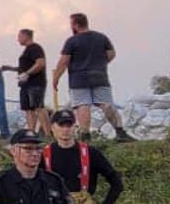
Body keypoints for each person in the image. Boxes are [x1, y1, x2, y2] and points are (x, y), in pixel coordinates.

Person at [49, 13, 134, 141]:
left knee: (83, 105)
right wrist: (100, 64)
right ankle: (120, 132)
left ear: (76, 25)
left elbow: (64, 61)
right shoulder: (101, 37)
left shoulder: (72, 41)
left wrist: (56, 78)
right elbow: (111, 54)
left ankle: (85, 136)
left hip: (79, 79)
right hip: (100, 76)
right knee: (107, 104)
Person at [8, 29, 49, 137]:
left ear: (26, 36)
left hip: (35, 83)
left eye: (19, 36)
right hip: (25, 85)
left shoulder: (35, 48)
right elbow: (25, 67)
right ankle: (31, 133)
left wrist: (27, 73)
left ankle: (48, 134)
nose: (18, 39)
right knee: (28, 109)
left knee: (39, 107)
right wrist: (12, 68)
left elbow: (40, 63)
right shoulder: (26, 51)